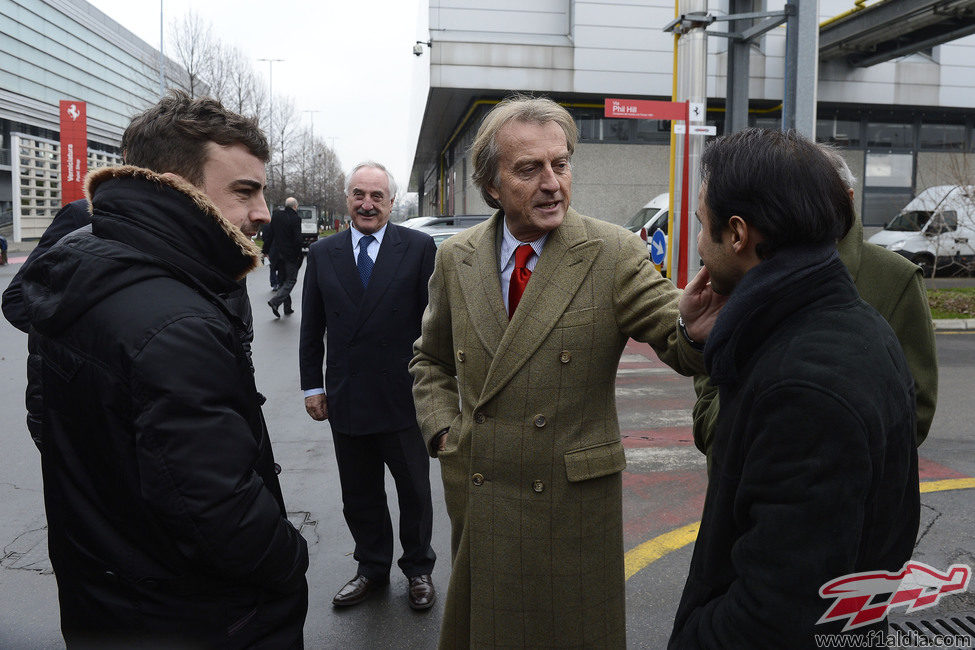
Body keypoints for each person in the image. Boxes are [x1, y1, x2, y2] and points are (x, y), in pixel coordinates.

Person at [409, 95, 722, 648]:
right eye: (529, 169)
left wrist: (692, 325)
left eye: (561, 163)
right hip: (482, 492)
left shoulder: (612, 251)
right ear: (492, 186)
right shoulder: (455, 257)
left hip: (571, 509)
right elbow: (430, 359)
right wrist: (444, 433)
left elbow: (678, 342)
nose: (552, 182)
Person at [17, 90, 309, 647]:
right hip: (200, 617)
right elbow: (218, 514)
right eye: (245, 191)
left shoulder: (83, 272)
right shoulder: (177, 322)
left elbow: (48, 427)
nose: (264, 212)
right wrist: (289, 561)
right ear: (177, 189)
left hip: (102, 597)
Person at [669, 129, 919, 648]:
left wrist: (694, 635)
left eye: (701, 225)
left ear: (736, 234)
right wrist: (705, 337)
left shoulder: (803, 388)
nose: (698, 243)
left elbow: (777, 611)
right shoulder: (853, 324)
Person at [691, 146, 938, 471]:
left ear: (845, 200)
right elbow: (712, 411)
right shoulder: (743, 270)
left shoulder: (894, 278)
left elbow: (912, 410)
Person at [299, 161, 439, 610]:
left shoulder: (418, 249)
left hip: (404, 396)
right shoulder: (323, 254)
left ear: (392, 203)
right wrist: (311, 387)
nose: (367, 203)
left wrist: (440, 389)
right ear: (347, 199)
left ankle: (418, 568)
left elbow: (434, 328)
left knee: (414, 490)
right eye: (360, 194)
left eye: (377, 196)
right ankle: (371, 569)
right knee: (359, 493)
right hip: (348, 395)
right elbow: (311, 327)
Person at [266, 196, 303, 317]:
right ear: (295, 206)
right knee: (291, 280)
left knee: (282, 280)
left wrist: (265, 250)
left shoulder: (276, 216)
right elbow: (298, 240)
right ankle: (275, 302)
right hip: (290, 255)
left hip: (277, 254)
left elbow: (270, 234)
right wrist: (299, 255)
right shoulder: (295, 218)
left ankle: (287, 308)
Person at [262, 218, 280, 290]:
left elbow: (265, 238)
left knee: (272, 267)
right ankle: (278, 282)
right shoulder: (280, 226)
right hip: (279, 249)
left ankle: (274, 283)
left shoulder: (267, 226)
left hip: (271, 249)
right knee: (280, 267)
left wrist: (265, 252)